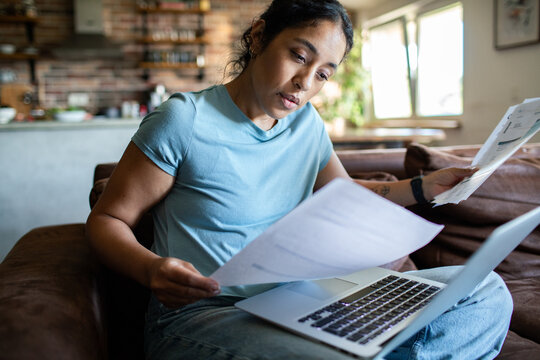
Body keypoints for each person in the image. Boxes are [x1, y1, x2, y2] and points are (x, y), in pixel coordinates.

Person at [86, 0, 513, 359]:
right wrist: (151, 269)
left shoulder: (305, 123)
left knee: (485, 292)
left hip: (305, 301)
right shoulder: (183, 120)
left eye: (324, 73)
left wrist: (422, 188)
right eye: (299, 56)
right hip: (209, 313)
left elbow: (343, 194)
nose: (305, 84)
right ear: (258, 37)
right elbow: (108, 220)